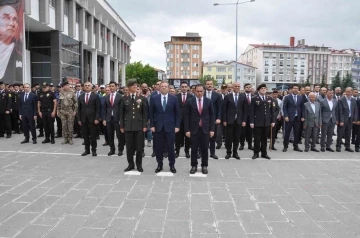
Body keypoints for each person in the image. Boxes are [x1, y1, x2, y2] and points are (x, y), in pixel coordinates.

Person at [150, 81, 180, 174]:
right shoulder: (154, 98)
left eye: (165, 86)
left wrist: (177, 126)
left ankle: (172, 165)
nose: (163, 88)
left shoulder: (174, 98)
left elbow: (177, 114)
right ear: (159, 88)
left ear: (168, 88)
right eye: (162, 86)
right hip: (158, 127)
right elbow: (151, 113)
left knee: (171, 147)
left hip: (170, 127)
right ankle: (159, 164)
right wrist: (152, 125)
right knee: (159, 147)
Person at [184, 84, 214, 174]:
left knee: (205, 148)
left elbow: (212, 116)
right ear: (194, 91)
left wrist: (212, 129)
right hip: (193, 130)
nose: (199, 93)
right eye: (197, 91)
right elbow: (186, 117)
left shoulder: (208, 101)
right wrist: (187, 130)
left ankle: (204, 165)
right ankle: (194, 165)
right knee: (193, 149)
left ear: (203, 91)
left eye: (201, 91)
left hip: (205, 129)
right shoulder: (189, 101)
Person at [120, 79, 148, 172]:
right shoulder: (124, 98)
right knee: (129, 147)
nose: (135, 87)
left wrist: (144, 125)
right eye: (133, 85)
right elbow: (121, 114)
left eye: (136, 85)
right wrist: (122, 126)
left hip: (139, 126)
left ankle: (139, 165)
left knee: (139, 147)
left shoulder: (142, 98)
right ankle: (130, 164)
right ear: (128, 87)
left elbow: (145, 114)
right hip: (128, 126)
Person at [250, 84, 275, 160]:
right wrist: (252, 122)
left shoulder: (270, 98)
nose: (263, 89)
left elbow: (272, 111)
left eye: (265, 88)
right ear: (259, 90)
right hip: (257, 122)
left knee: (264, 139)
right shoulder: (254, 98)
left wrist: (273, 121)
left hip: (267, 122)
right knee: (257, 139)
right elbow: (251, 111)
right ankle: (256, 153)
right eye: (262, 88)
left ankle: (264, 153)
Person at [78, 82, 101, 156]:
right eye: (86, 86)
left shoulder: (95, 96)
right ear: (83, 87)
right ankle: (87, 150)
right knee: (85, 136)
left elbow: (98, 108)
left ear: (91, 87)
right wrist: (79, 119)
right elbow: (79, 109)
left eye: (89, 86)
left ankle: (94, 150)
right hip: (84, 119)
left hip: (93, 119)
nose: (87, 87)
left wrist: (97, 118)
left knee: (93, 136)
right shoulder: (81, 96)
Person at [222, 82, 243, 160]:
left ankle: (235, 152)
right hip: (229, 120)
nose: (237, 87)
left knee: (237, 138)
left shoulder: (242, 96)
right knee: (229, 138)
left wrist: (244, 120)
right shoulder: (227, 97)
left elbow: (244, 109)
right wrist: (224, 120)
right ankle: (228, 152)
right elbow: (224, 109)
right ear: (233, 87)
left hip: (239, 120)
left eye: (238, 86)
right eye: (236, 86)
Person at [103, 81, 122, 156]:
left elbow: (122, 109)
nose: (111, 88)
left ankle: (120, 149)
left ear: (116, 87)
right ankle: (112, 149)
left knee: (119, 135)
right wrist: (104, 119)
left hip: (117, 118)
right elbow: (104, 108)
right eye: (110, 86)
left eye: (113, 86)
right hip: (109, 118)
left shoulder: (120, 96)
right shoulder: (106, 97)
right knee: (110, 135)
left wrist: (121, 119)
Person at [282, 84, 303, 152]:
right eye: (294, 88)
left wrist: (302, 116)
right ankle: (285, 146)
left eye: (297, 88)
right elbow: (284, 107)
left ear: (298, 90)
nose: (296, 89)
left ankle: (295, 146)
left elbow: (302, 108)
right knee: (287, 132)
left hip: (298, 118)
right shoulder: (287, 97)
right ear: (292, 89)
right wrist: (286, 116)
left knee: (296, 133)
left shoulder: (300, 97)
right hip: (289, 118)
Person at [336, 87, 358, 152]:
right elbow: (340, 111)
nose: (348, 93)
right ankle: (338, 146)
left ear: (351, 92)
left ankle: (347, 146)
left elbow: (355, 110)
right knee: (340, 134)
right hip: (343, 119)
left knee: (348, 134)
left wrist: (355, 119)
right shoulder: (341, 100)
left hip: (350, 119)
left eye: (349, 92)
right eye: (347, 91)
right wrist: (341, 121)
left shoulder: (353, 100)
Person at [175, 81, 193, 158]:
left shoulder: (191, 97)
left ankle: (187, 152)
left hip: (188, 120)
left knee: (188, 137)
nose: (184, 88)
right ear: (180, 87)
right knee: (178, 137)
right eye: (182, 87)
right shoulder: (176, 97)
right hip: (178, 120)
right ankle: (177, 151)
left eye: (185, 87)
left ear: (188, 87)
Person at [205, 79, 221, 159]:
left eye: (211, 84)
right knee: (203, 137)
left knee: (212, 137)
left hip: (213, 119)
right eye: (208, 84)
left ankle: (212, 153)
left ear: (213, 85)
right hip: (203, 119)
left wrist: (218, 118)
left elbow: (219, 108)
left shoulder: (217, 95)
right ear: (205, 85)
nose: (209, 85)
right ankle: (201, 153)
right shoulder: (201, 93)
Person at [240, 83, 254, 151]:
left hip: (251, 117)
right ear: (244, 88)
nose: (248, 88)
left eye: (249, 87)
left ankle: (250, 145)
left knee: (250, 132)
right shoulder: (241, 96)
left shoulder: (254, 96)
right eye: (247, 87)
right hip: (243, 117)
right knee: (242, 132)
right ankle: (242, 144)